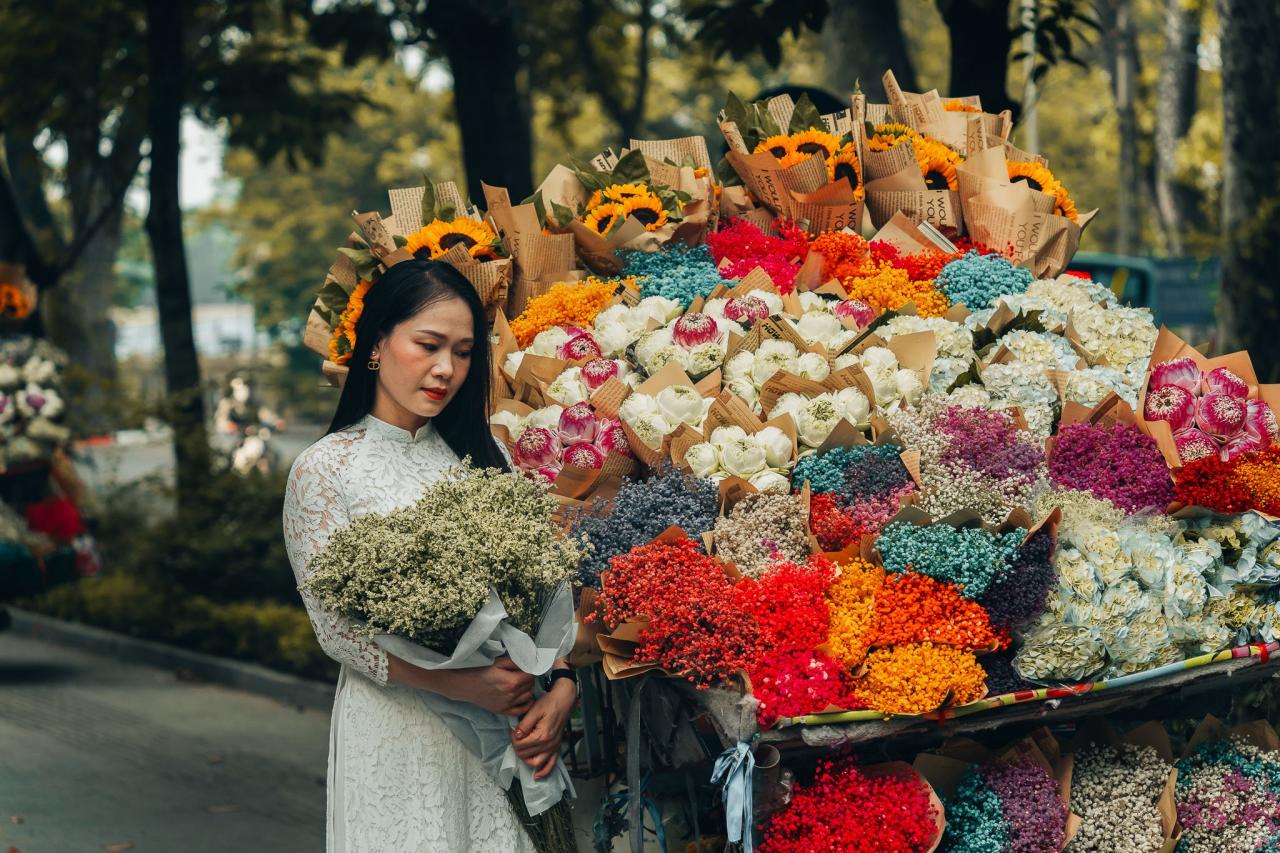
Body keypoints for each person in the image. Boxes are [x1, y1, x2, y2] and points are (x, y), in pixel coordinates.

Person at [282, 259, 577, 852]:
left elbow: (541, 595)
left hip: (507, 726)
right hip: (401, 728)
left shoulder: (485, 452)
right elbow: (337, 633)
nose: (446, 369)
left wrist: (561, 690)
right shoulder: (325, 470)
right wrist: (463, 686)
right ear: (378, 343)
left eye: (464, 352)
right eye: (429, 344)